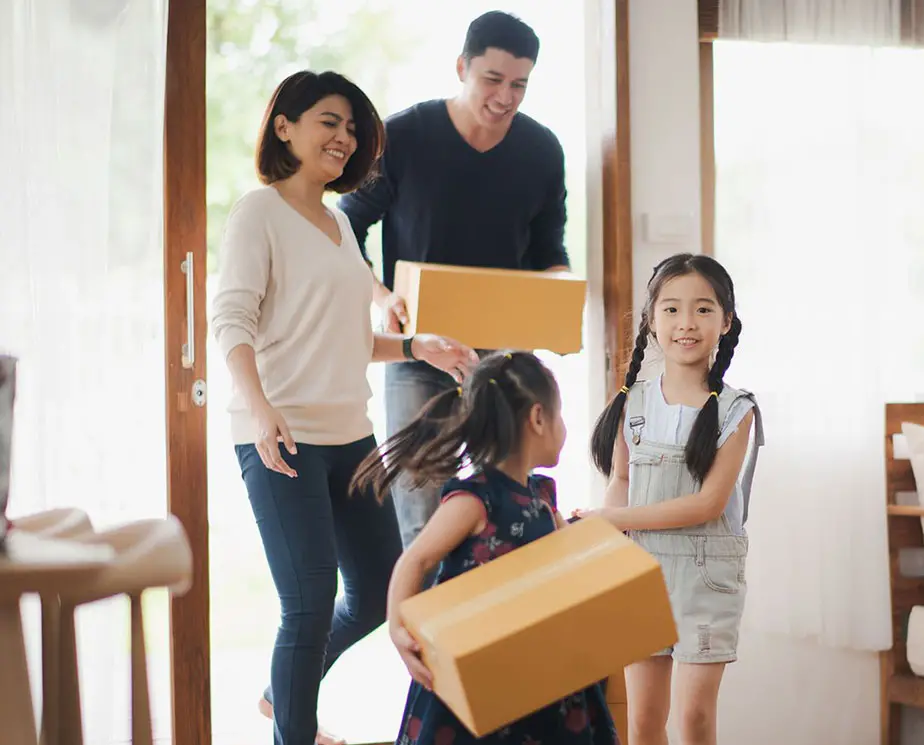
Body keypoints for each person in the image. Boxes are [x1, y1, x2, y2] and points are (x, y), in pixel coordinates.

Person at [210, 69, 480, 745]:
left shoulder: (336, 223)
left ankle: (282, 694)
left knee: (374, 590)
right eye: (328, 121)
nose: (343, 136)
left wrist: (419, 347)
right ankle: (294, 733)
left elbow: (351, 338)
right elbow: (231, 321)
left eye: (352, 128)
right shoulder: (259, 211)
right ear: (285, 126)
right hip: (283, 436)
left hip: (350, 435)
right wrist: (260, 408)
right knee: (305, 605)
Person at [338, 10, 570, 559]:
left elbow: (549, 252)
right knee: (422, 520)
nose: (505, 97)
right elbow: (346, 227)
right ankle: (425, 639)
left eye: (519, 85)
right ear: (462, 67)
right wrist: (382, 296)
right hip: (421, 355)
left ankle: (492, 640)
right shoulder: (403, 137)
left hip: (506, 362)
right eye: (492, 80)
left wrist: (556, 303)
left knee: (510, 517)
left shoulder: (542, 151)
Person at [350, 351, 618, 745]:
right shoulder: (475, 499)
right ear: (538, 418)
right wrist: (397, 628)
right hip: (477, 676)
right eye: (560, 417)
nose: (563, 428)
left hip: (539, 673)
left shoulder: (542, 497)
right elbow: (416, 559)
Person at [578, 254, 764, 745]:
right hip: (641, 572)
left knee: (695, 719)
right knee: (642, 721)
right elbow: (620, 478)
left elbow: (707, 505)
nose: (686, 323)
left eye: (704, 310)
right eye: (672, 309)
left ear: (726, 321)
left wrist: (612, 518)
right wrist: (609, 533)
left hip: (706, 577)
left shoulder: (736, 410)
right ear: (651, 320)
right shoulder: (630, 401)